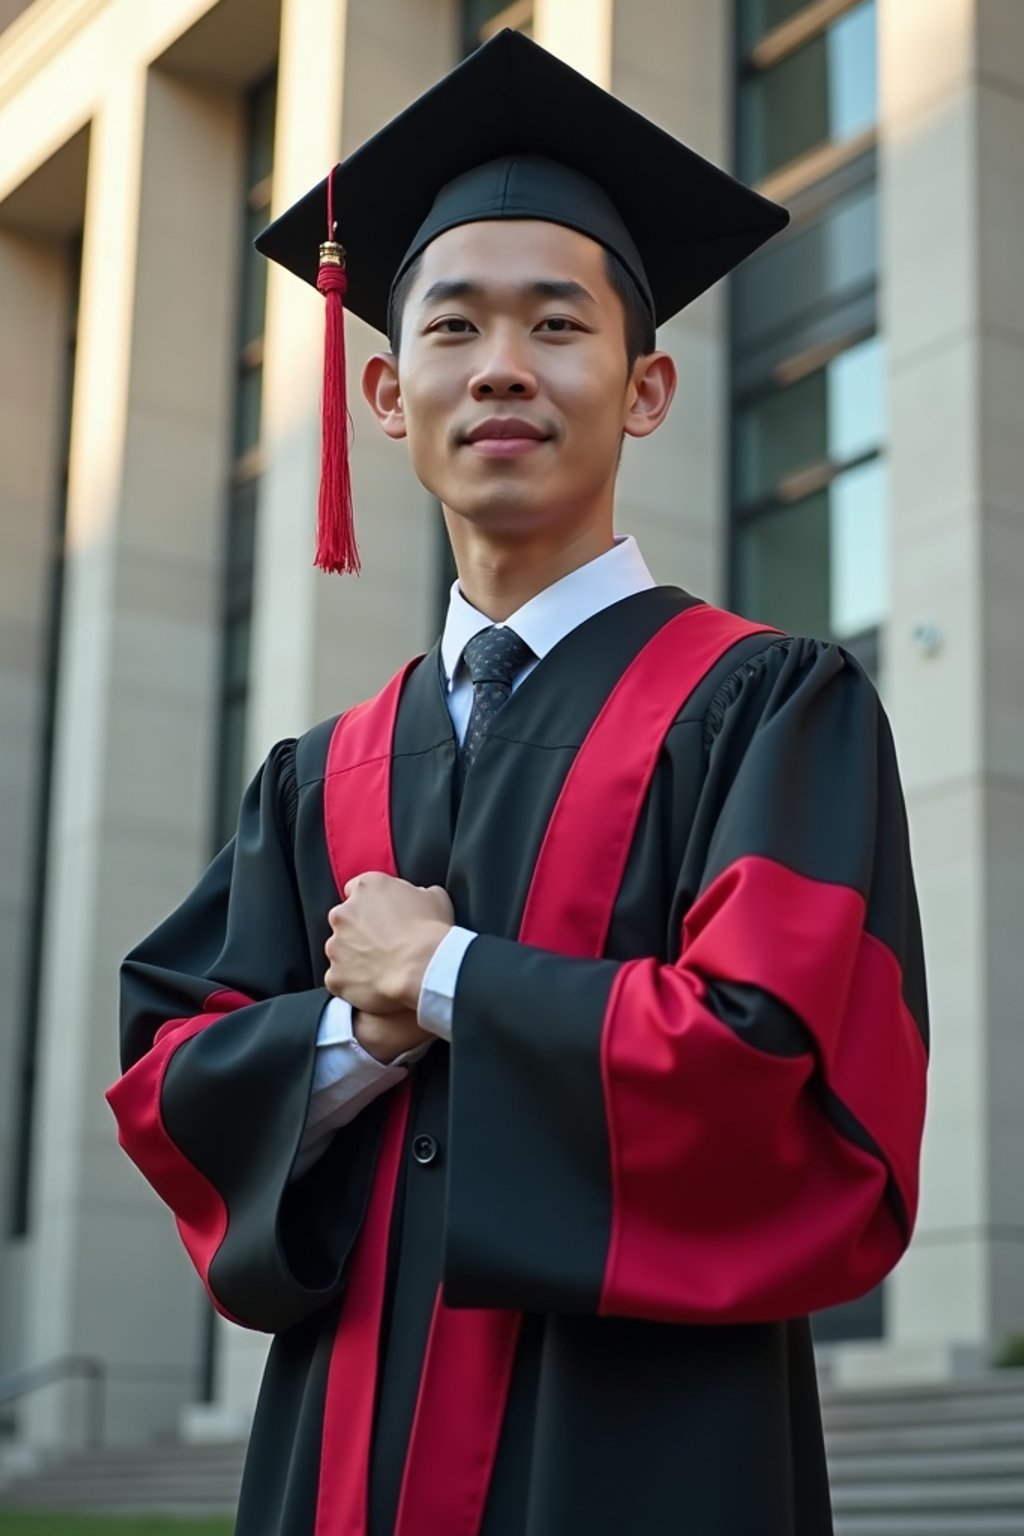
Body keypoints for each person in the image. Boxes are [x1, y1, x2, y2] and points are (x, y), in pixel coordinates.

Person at [107, 29, 928, 1536]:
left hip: (645, 1453)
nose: (501, 368)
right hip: (343, 1447)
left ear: (649, 385)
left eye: (559, 325)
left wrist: (455, 976)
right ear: (381, 392)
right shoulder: (316, 777)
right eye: (453, 328)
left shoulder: (767, 709)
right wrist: (352, 1037)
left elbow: (786, 1077)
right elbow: (171, 1083)